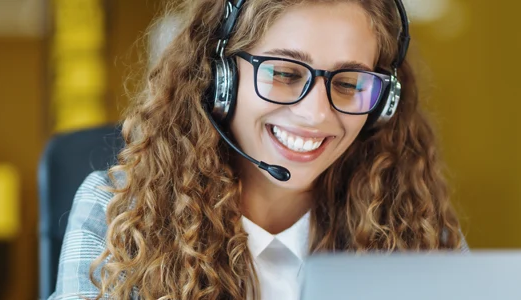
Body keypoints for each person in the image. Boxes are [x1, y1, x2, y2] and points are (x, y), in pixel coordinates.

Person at [50, 0, 467, 299]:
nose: (316, 114)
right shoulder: (118, 213)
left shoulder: (418, 230)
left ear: (382, 103)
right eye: (284, 74)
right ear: (220, 78)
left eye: (349, 83)